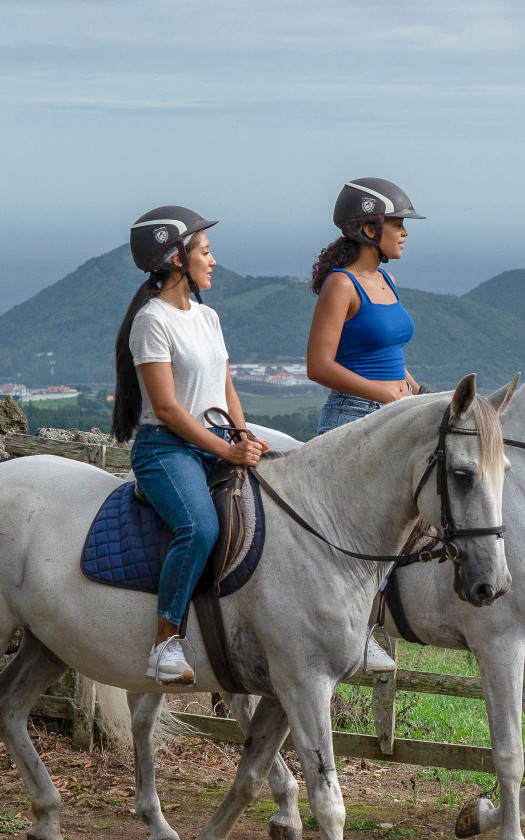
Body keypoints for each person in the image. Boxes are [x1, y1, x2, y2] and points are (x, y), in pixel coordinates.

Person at [112, 205, 268, 685]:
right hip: (167, 449)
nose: (213, 260)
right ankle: (164, 643)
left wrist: (243, 436)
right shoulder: (151, 321)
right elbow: (170, 409)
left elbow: (227, 390)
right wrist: (226, 452)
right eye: (205, 251)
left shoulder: (208, 317)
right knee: (199, 527)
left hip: (215, 440)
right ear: (177, 259)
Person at [305, 178, 425, 672]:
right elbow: (318, 365)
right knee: (361, 538)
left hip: (392, 414)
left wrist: (408, 384)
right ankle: (353, 630)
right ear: (369, 227)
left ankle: (372, 623)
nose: (404, 233)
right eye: (398, 223)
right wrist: (382, 392)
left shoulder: (385, 280)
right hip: (352, 420)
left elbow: (385, 351)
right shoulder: (342, 284)